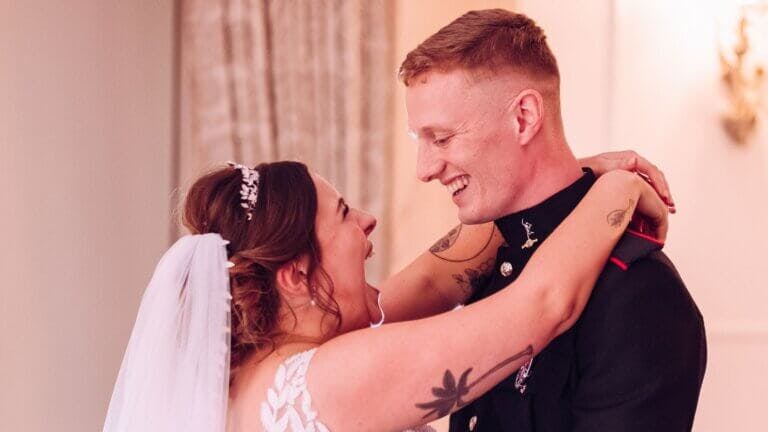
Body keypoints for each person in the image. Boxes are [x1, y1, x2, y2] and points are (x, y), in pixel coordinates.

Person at [103, 158, 669, 432]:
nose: (368, 221)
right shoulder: (332, 376)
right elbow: (544, 305)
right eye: (345, 215)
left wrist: (565, 175)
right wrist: (619, 187)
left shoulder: (256, 374)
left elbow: (434, 278)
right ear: (297, 276)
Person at [397, 8, 706, 432]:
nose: (425, 169)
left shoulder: (640, 292)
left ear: (523, 117)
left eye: (442, 137)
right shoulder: (492, 260)